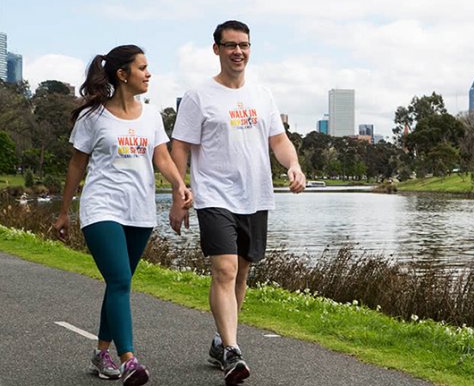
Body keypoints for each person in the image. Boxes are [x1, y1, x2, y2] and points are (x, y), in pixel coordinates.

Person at [169, 20, 305, 384]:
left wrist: (293, 165)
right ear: (216, 49)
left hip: (255, 195)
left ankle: (219, 342)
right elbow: (180, 146)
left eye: (244, 45)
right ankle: (232, 350)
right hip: (214, 195)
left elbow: (279, 140)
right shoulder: (198, 96)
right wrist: (179, 193)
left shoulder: (262, 95)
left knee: (242, 273)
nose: (238, 52)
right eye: (230, 45)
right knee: (225, 270)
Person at [53, 45, 192, 386]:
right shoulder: (93, 117)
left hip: (140, 210)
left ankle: (101, 352)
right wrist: (63, 213)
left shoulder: (151, 115)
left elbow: (161, 157)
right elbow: (77, 164)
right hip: (101, 207)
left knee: (120, 283)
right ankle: (129, 359)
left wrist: (179, 185)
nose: (149, 74)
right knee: (119, 281)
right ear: (122, 74)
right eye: (142, 68)